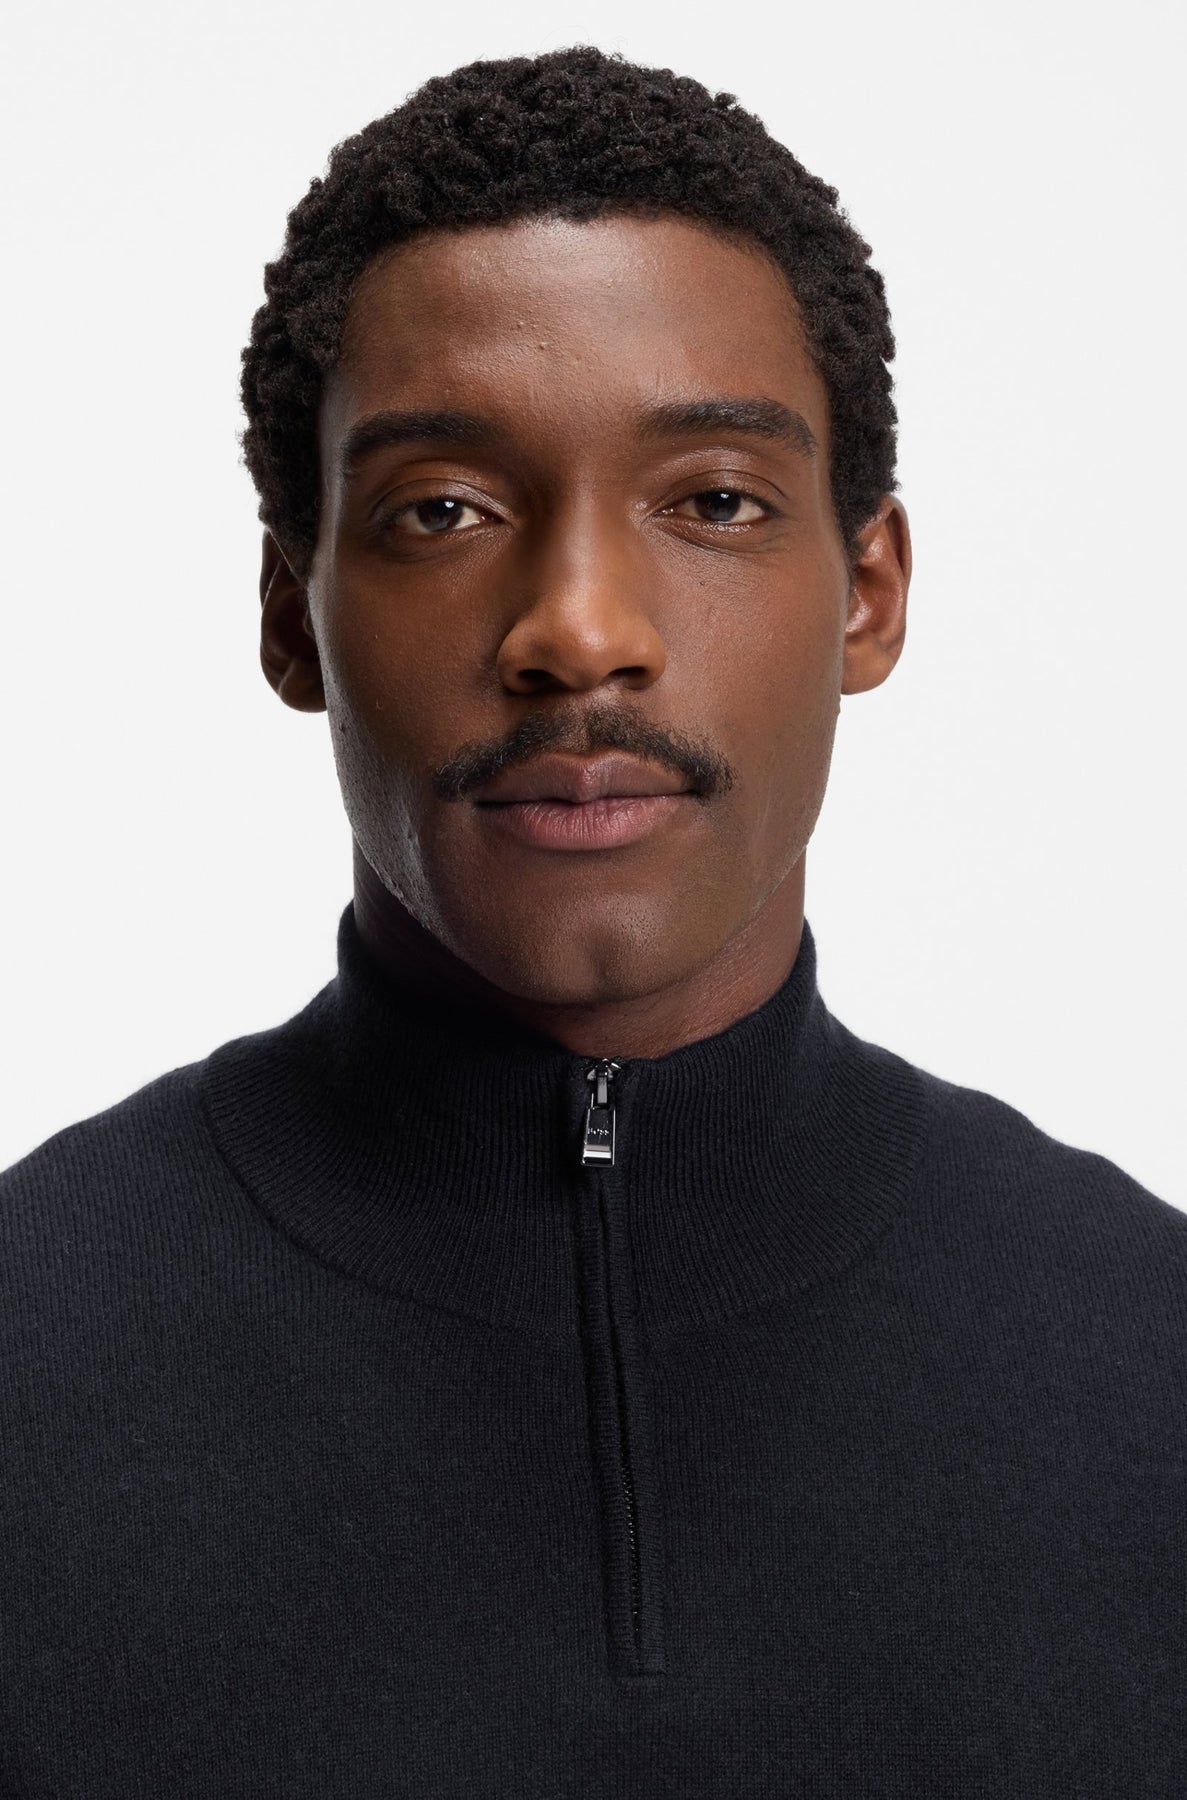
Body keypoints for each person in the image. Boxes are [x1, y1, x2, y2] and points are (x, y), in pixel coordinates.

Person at [1, 45, 1182, 1798]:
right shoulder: (31, 1354)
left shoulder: (1150, 1361)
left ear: (868, 596)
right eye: (443, 511)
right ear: (294, 616)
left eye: (712, 501)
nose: (578, 630)